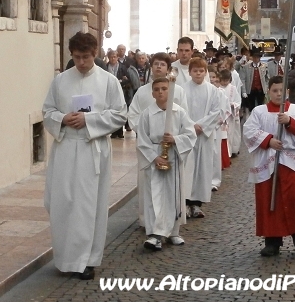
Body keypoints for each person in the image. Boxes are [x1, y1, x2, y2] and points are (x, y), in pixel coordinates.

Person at [42, 32, 127, 280]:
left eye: (86, 57)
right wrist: (62, 118)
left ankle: (87, 260)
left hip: (93, 149)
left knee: (89, 206)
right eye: (77, 57)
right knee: (62, 203)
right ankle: (65, 259)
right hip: (66, 147)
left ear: (95, 53)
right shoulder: (60, 81)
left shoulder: (109, 81)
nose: (81, 62)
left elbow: (120, 114)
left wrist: (88, 119)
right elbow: (48, 111)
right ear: (71, 55)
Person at [243, 76, 295, 256]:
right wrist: (269, 140)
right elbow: (249, 131)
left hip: (292, 161)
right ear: (268, 92)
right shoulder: (259, 111)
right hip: (267, 161)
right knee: (270, 201)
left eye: (282, 90)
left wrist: (289, 122)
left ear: (287, 92)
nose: (278, 94)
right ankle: (272, 240)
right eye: (274, 91)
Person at [136, 78, 197, 251]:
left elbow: (190, 134)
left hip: (173, 155)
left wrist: (175, 140)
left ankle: (173, 232)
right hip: (154, 157)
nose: (161, 92)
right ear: (152, 93)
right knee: (154, 195)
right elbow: (142, 140)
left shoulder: (179, 112)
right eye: (157, 89)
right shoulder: (147, 114)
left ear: (170, 92)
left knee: (173, 194)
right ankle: (155, 234)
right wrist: (154, 158)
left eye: (164, 89)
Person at [182, 57, 220, 218]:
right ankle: (185, 201)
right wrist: (191, 126)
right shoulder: (183, 89)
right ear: (189, 72)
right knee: (187, 168)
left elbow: (216, 111)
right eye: (195, 70)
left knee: (202, 169)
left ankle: (197, 203)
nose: (198, 73)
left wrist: (201, 126)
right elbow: (181, 111)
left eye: (201, 71)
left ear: (205, 72)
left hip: (204, 136)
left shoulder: (212, 90)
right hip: (188, 135)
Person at [106, 49, 132, 138]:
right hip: (109, 90)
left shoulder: (123, 67)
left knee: (119, 109)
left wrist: (121, 81)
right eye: (111, 57)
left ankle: (120, 131)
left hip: (122, 90)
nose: (113, 58)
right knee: (112, 110)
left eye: (114, 57)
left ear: (117, 58)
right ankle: (113, 131)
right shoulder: (105, 67)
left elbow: (128, 79)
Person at [219, 69, 242, 159]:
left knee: (231, 134)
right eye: (223, 80)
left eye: (227, 80)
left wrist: (234, 105)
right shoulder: (218, 88)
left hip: (231, 115)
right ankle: (224, 153)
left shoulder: (233, 88)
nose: (225, 82)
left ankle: (232, 150)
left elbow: (238, 101)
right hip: (222, 115)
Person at [241, 46, 269, 112]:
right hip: (250, 90)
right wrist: (244, 91)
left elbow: (268, 78)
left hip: (261, 90)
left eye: (257, 57)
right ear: (252, 57)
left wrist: (266, 87)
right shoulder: (246, 67)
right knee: (251, 108)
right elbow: (243, 79)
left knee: (261, 107)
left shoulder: (264, 66)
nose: (256, 59)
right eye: (254, 57)